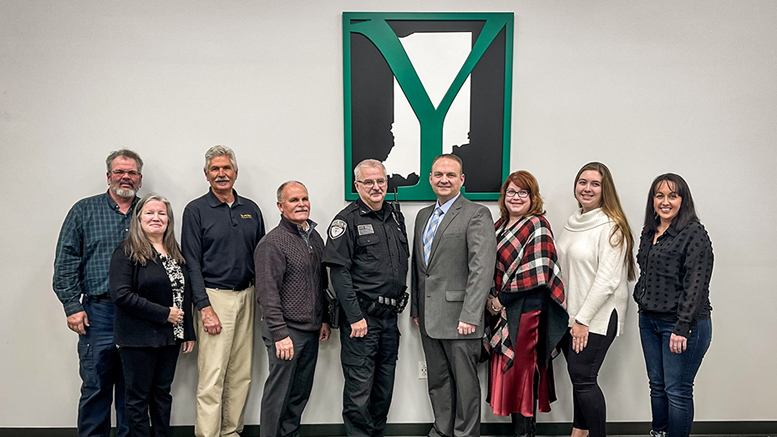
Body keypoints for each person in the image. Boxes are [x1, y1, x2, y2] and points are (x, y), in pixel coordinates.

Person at [53, 149, 144, 437]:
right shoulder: (84, 211)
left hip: (139, 315)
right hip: (98, 313)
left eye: (131, 173)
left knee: (134, 393)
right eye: (120, 172)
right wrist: (71, 305)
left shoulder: (150, 212)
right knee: (96, 387)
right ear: (109, 176)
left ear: (139, 180)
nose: (125, 177)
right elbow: (66, 260)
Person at [181, 145, 265, 437]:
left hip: (248, 296)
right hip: (214, 298)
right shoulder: (196, 210)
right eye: (215, 169)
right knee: (212, 376)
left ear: (235, 173)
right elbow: (191, 262)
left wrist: (263, 301)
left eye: (226, 168)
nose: (221, 174)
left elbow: (261, 257)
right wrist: (204, 307)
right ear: (206, 175)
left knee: (241, 374)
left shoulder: (250, 209)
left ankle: (231, 432)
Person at [410, 154, 497, 437]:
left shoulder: (476, 213)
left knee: (465, 385)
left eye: (450, 175)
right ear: (431, 179)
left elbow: (482, 268)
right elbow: (419, 266)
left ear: (461, 180)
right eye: (438, 174)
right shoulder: (423, 215)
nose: (443, 179)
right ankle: (443, 430)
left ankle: (465, 434)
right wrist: (416, 309)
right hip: (429, 317)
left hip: (462, 318)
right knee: (438, 382)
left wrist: (471, 314)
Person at [323, 159, 409, 437]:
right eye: (368, 182)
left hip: (389, 319)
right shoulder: (346, 221)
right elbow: (338, 274)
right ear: (357, 185)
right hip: (362, 319)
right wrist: (355, 316)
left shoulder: (395, 217)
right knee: (359, 391)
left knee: (384, 388)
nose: (376, 187)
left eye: (380, 181)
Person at [483, 170, 567, 437]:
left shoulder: (537, 224)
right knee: (511, 376)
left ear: (533, 197)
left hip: (527, 311)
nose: (516, 197)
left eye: (523, 192)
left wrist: (499, 301)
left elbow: (539, 274)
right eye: (511, 192)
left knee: (522, 377)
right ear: (503, 196)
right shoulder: (498, 226)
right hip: (503, 311)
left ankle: (525, 434)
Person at [556, 162, 636, 437]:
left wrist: (582, 319)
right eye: (583, 182)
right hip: (572, 314)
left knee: (584, 379)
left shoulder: (612, 226)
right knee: (578, 379)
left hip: (596, 316)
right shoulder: (573, 222)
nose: (587, 188)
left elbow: (608, 280)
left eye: (595, 184)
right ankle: (579, 432)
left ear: (605, 190)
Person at [109, 193, 196, 437]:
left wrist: (187, 331)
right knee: (137, 399)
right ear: (138, 218)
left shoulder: (174, 252)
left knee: (162, 394)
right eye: (149, 213)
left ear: (168, 220)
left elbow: (183, 294)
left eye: (162, 213)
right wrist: (164, 314)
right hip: (138, 338)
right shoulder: (126, 251)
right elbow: (121, 295)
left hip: (170, 338)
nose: (156, 218)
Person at [634, 174, 713, 437]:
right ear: (652, 200)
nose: (665, 201)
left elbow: (697, 284)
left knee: (676, 390)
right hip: (649, 320)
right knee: (657, 385)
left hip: (682, 325)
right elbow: (646, 272)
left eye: (673, 195)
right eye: (660, 195)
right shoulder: (650, 231)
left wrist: (682, 327)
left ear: (683, 200)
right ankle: (659, 433)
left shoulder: (694, 233)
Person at [254, 181, 331, 437]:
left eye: (304, 199)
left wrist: (324, 320)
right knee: (278, 396)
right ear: (280, 206)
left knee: (299, 395)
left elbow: (321, 283)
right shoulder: (272, 243)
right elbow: (267, 293)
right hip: (286, 333)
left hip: (310, 330)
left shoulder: (314, 237)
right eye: (294, 200)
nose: (301, 204)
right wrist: (279, 333)